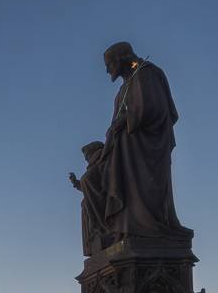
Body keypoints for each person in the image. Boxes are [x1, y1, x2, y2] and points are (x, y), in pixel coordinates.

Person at [94, 41, 189, 243]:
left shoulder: (147, 73)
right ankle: (127, 227)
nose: (107, 70)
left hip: (145, 149)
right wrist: (113, 131)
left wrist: (126, 121)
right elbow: (116, 121)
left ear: (120, 59)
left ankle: (149, 227)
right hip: (125, 151)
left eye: (109, 64)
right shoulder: (122, 90)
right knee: (117, 182)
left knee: (145, 190)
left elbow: (156, 108)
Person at [69, 140, 108, 255]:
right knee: (85, 203)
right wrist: (76, 183)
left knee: (86, 202)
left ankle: (100, 228)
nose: (86, 159)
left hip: (105, 197)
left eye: (86, 156)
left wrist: (81, 182)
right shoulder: (95, 165)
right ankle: (96, 231)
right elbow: (89, 189)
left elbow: (92, 185)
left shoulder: (103, 161)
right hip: (97, 200)